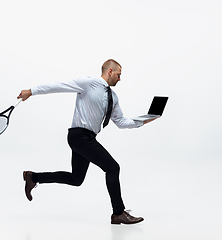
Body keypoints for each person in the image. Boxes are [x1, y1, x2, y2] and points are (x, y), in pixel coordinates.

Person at [18, 59, 158, 224]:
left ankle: (33, 177)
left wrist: (144, 120)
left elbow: (121, 122)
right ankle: (118, 213)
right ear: (110, 71)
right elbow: (59, 85)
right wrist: (31, 91)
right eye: (119, 75)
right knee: (112, 168)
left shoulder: (113, 96)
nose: (120, 79)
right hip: (78, 136)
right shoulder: (89, 83)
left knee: (76, 179)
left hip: (88, 138)